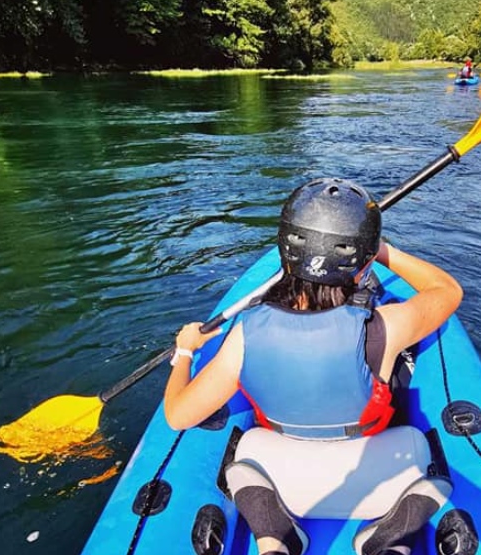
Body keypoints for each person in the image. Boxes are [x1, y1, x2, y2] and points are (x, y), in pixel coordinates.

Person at [163, 178, 463, 555]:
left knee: (248, 449)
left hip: (285, 482)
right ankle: (390, 542)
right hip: (375, 483)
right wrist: (383, 252)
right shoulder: (386, 326)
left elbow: (177, 415)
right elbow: (448, 291)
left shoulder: (245, 334)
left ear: (284, 253)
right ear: (364, 261)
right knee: (418, 446)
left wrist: (185, 352)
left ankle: (274, 539)